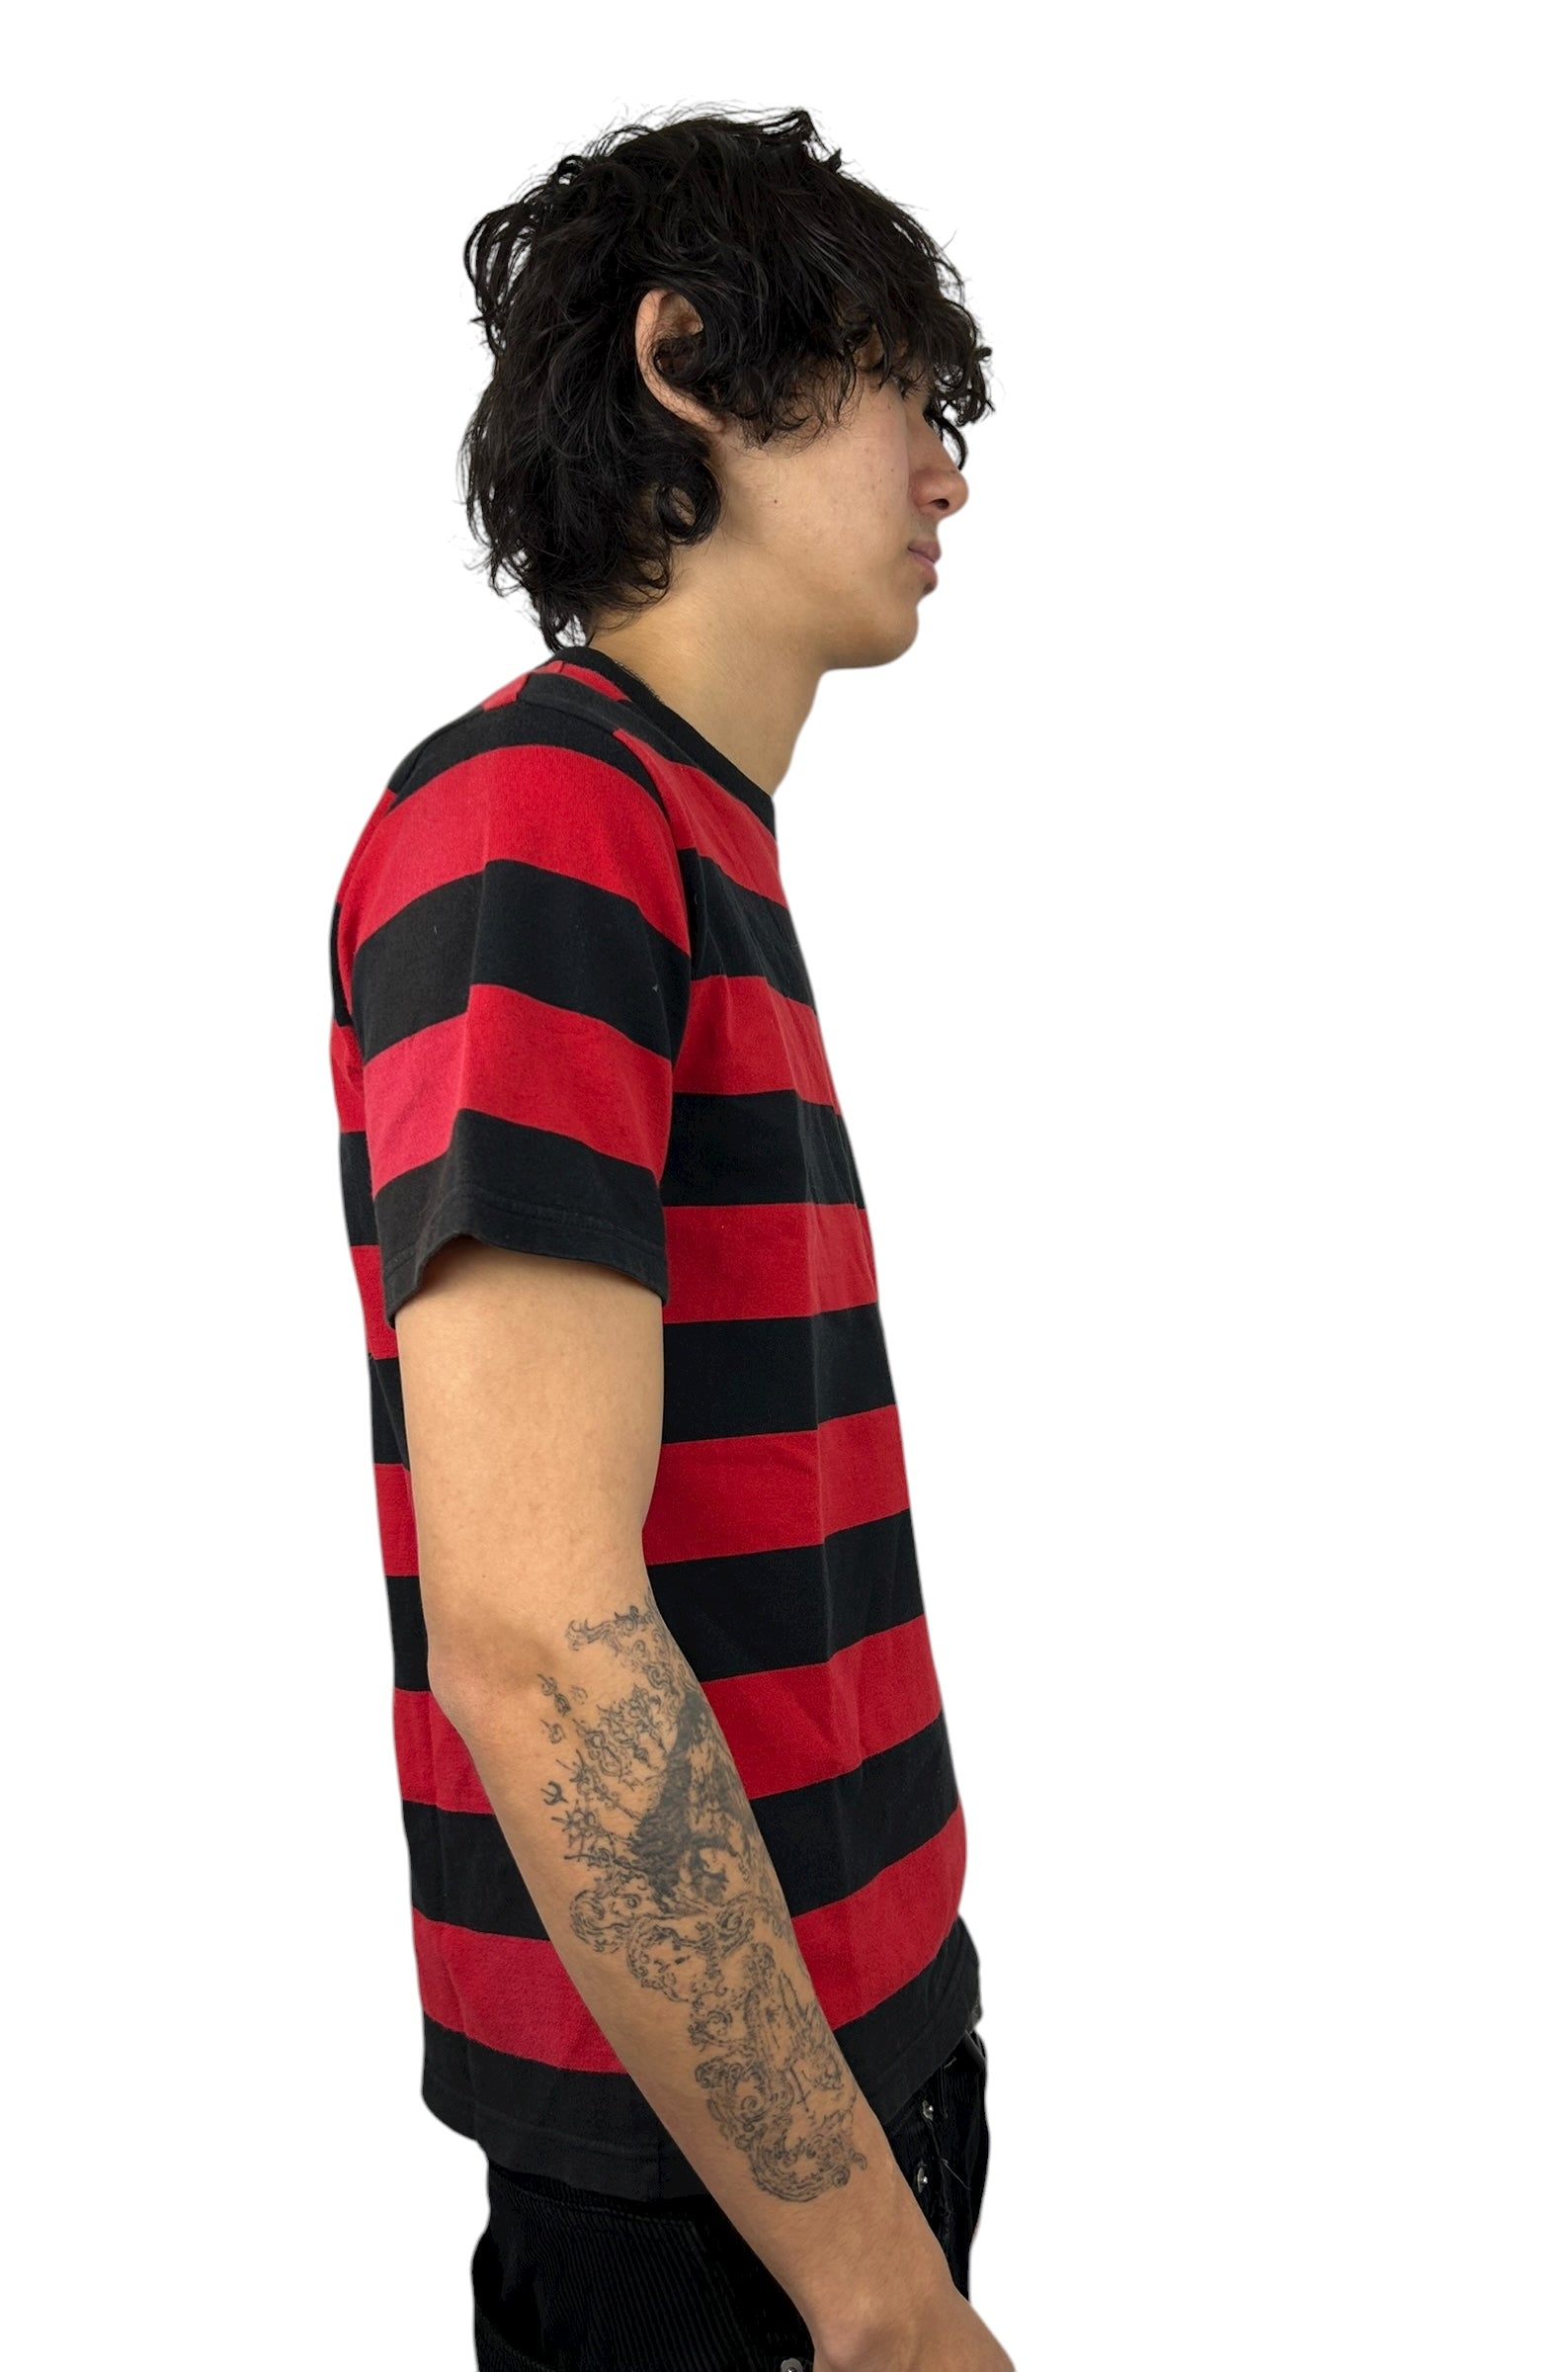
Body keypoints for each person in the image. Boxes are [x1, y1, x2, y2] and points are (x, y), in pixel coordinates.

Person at [326, 107, 1015, 2370]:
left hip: (849, 2105)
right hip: (725, 2214)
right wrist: (876, 2296)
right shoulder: (541, 814)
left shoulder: (684, 834)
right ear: (692, 360)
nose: (948, 474)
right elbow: (538, 1636)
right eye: (912, 393)